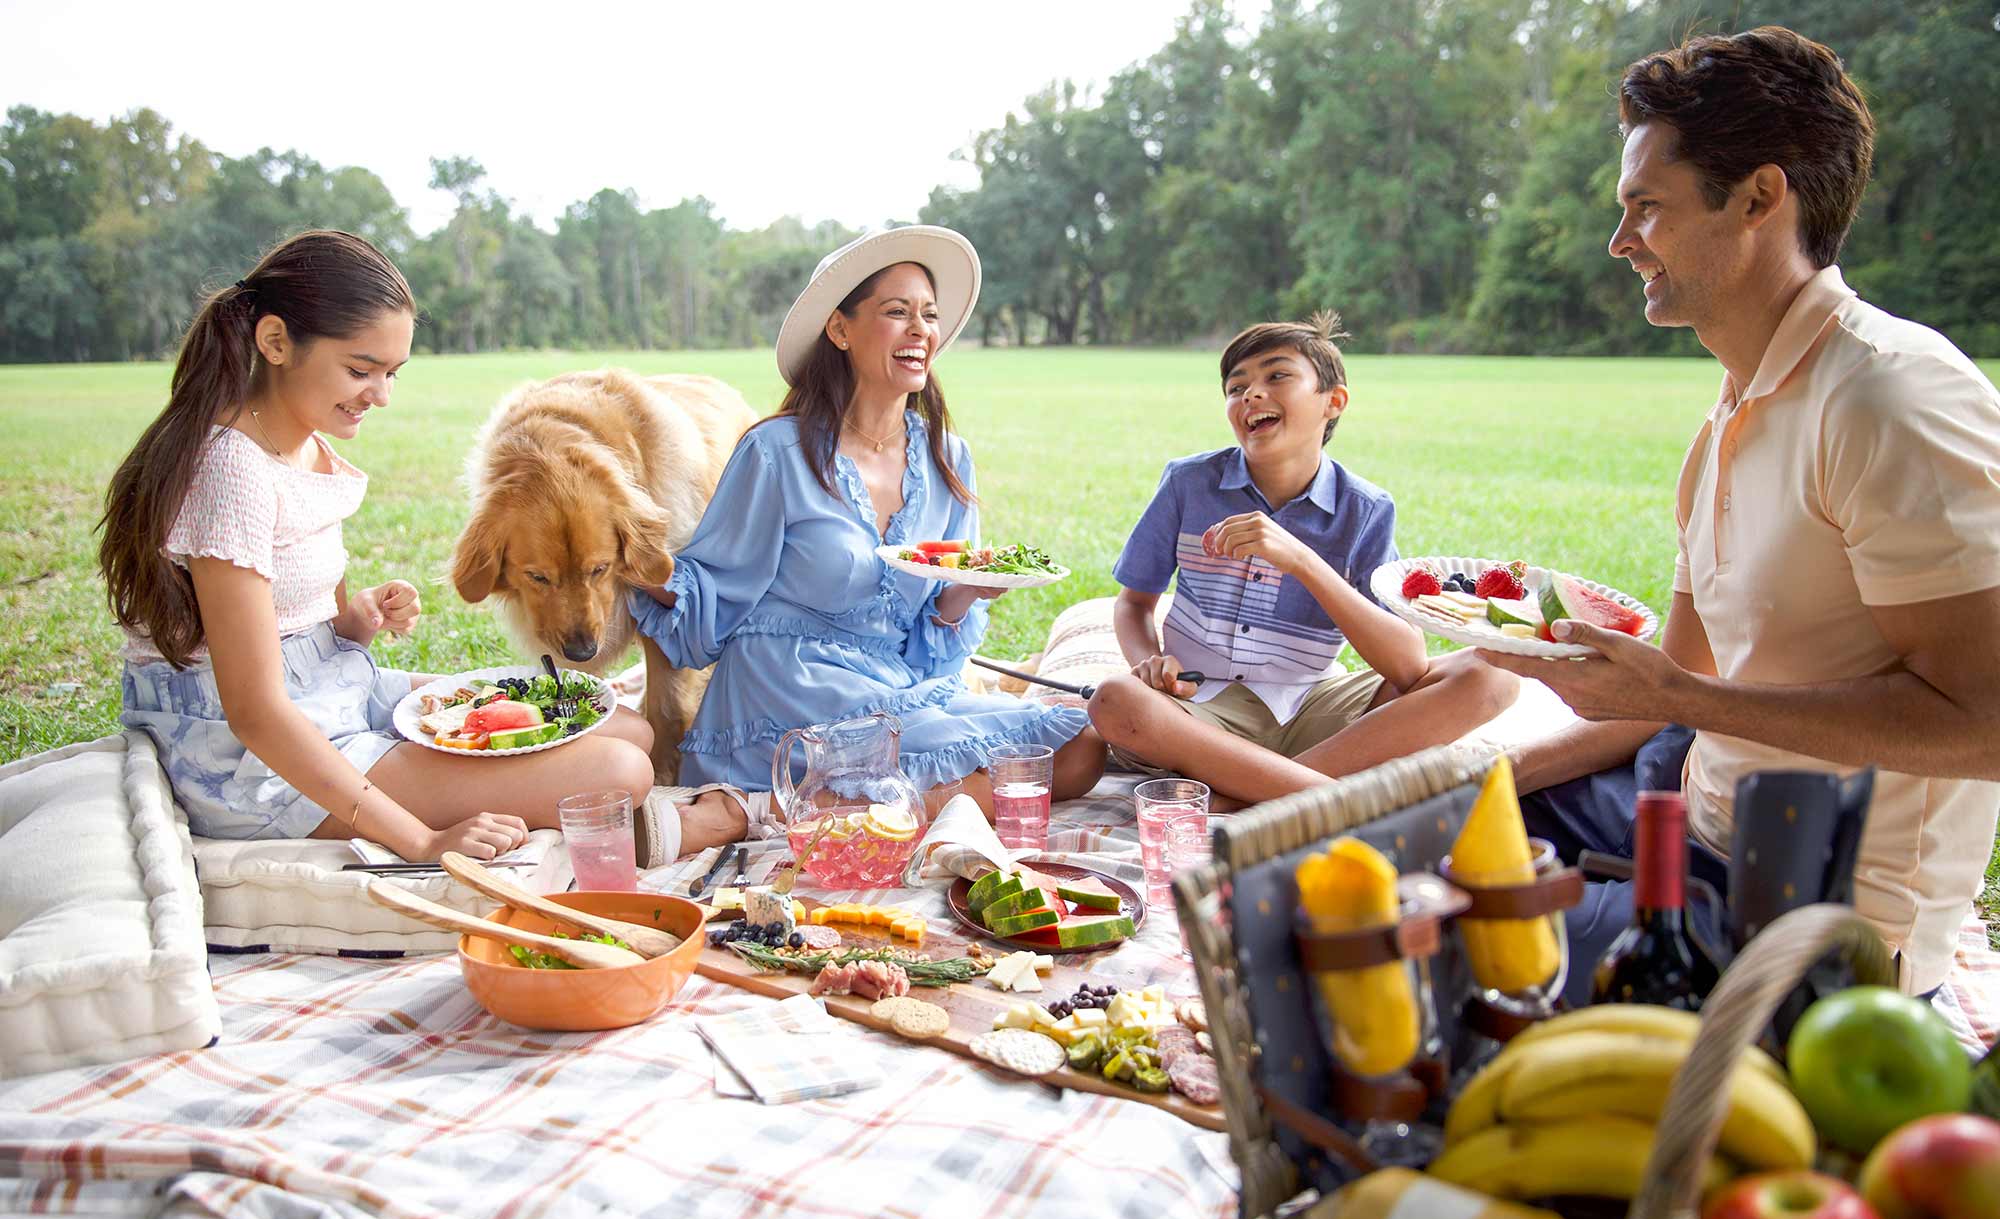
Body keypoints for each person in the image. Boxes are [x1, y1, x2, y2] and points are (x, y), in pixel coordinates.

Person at [1484, 27, 2000, 1002]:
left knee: (1431, 930)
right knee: (1422, 841)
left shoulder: (1889, 400)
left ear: (1759, 198)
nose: (1618, 239)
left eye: (1646, 207)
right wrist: (1487, 771)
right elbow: (1679, 682)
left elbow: (1986, 722)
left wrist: (1677, 701)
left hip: (1822, 919)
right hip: (1694, 813)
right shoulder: (1732, 407)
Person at [103, 230, 658, 862]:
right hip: (249, 758)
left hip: (334, 690)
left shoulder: (307, 444)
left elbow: (291, 620)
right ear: (277, 342)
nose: (382, 394)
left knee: (626, 727)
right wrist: (418, 838)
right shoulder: (231, 471)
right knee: (620, 769)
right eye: (361, 370)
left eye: (391, 372)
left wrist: (353, 621)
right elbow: (255, 711)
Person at [629, 226, 1104, 855]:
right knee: (1017, 770)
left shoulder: (947, 459)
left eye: (929, 316)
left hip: (895, 685)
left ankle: (763, 811)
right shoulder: (777, 452)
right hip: (789, 680)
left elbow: (933, 641)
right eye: (896, 312)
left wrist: (966, 592)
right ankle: (785, 801)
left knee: (1077, 752)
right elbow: (710, 600)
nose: (920, 330)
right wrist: (627, 558)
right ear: (841, 329)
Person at [1087, 312, 1518, 805]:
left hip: (1311, 710)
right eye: (1236, 386)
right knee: (1116, 701)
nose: (1250, 394)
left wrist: (1303, 561)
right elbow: (1134, 604)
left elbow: (1407, 665)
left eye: (1277, 375)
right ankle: (1309, 794)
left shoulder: (1365, 510)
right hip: (1195, 712)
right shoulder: (1188, 483)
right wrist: (1149, 664)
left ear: (1333, 402)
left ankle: (1263, 790)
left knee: (1495, 672)